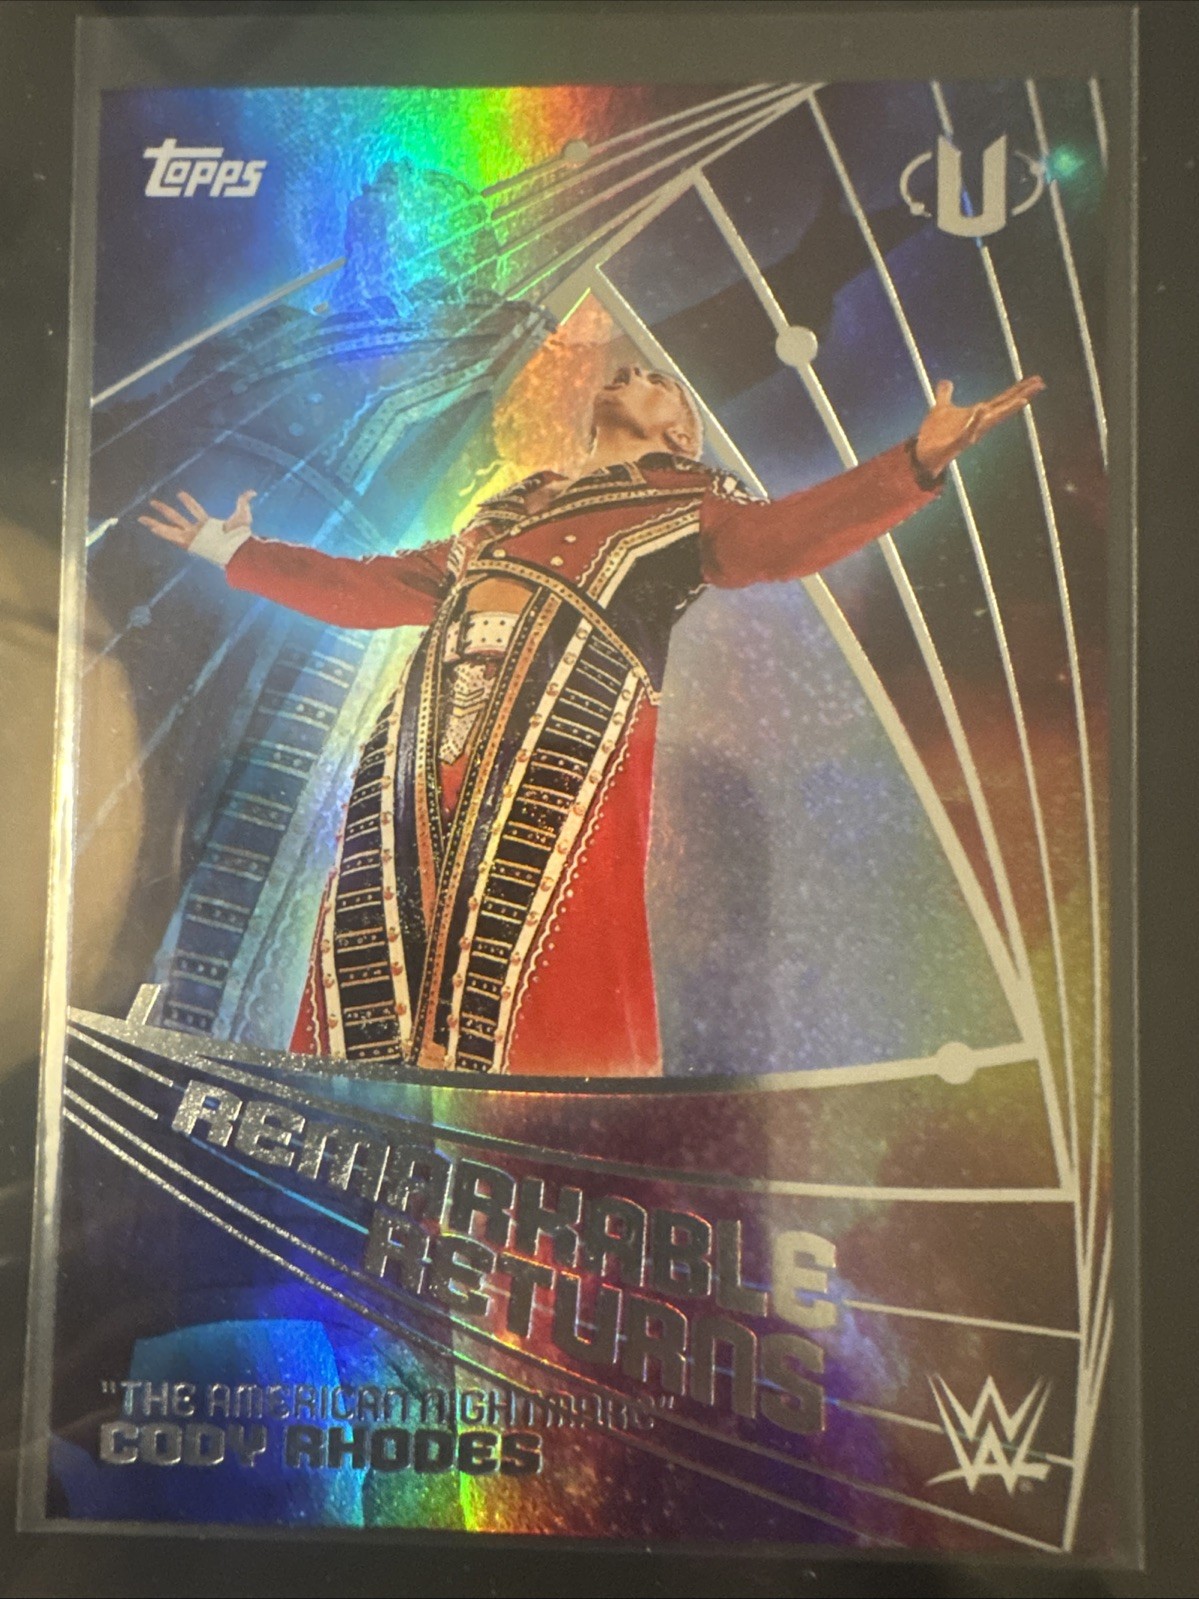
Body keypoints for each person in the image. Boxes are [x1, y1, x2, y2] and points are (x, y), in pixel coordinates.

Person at [140, 365, 1043, 1078]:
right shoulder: (502, 513)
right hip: (428, 728)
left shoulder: (692, 504)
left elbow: (782, 541)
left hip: (570, 727)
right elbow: (371, 586)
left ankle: (525, 1129)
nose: (630, 372)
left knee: (534, 928)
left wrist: (912, 465)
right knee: (385, 911)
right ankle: (364, 1103)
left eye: (655, 378)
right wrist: (232, 548)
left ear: (680, 431)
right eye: (625, 370)